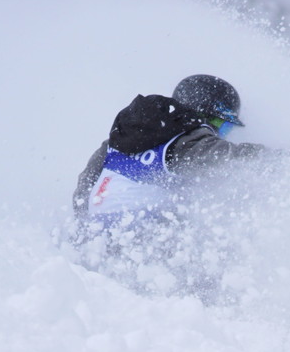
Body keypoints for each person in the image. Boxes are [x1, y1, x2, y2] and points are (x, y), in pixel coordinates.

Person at [72, 74, 266, 241]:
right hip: (145, 239)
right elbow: (233, 159)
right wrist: (284, 160)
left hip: (95, 234)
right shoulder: (187, 140)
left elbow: (84, 188)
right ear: (203, 115)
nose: (221, 135)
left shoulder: (121, 138)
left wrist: (85, 230)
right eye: (223, 125)